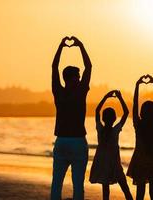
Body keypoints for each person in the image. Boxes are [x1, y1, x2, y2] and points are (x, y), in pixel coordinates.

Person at [50, 36, 92, 200]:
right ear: (73, 78)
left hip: (61, 141)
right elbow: (88, 66)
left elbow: (54, 67)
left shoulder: (58, 92)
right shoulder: (80, 92)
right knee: (78, 186)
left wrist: (61, 46)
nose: (80, 78)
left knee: (56, 183)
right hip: (77, 142)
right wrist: (80, 45)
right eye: (78, 76)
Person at [89, 90, 133, 200]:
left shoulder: (100, 129)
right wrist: (120, 98)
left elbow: (97, 111)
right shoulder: (115, 130)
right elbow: (126, 113)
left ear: (103, 118)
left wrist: (105, 97)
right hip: (114, 164)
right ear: (114, 118)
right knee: (125, 189)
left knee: (106, 192)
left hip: (103, 162)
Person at [127, 75, 153, 200]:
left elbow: (135, 104)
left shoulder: (138, 124)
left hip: (140, 161)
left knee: (140, 194)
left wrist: (137, 85)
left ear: (142, 112)